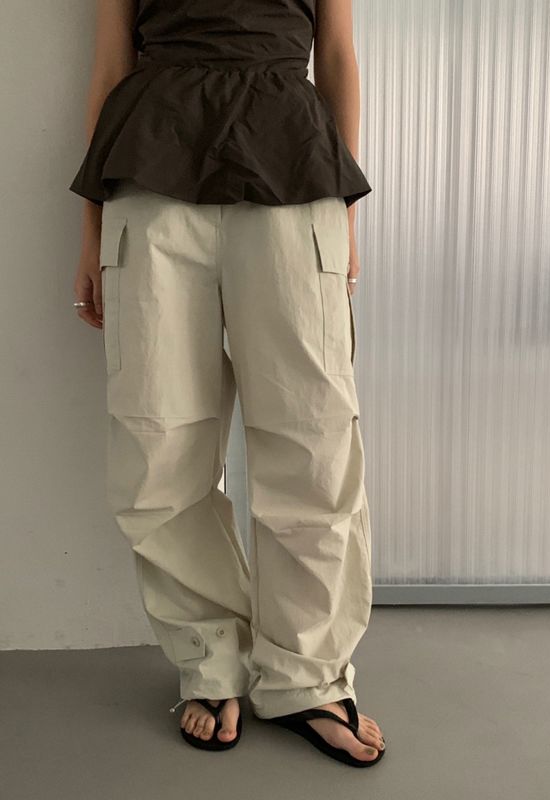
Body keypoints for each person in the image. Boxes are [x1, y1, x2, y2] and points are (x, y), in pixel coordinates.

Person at [70, 0, 385, 768]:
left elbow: (335, 56)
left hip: (294, 170)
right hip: (150, 175)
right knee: (159, 439)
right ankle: (208, 659)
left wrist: (344, 212)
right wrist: (89, 227)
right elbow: (111, 68)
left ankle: (308, 675)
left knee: (312, 439)